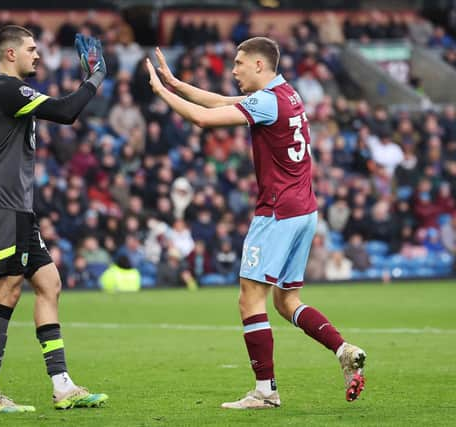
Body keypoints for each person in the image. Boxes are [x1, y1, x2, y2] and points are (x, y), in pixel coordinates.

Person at [146, 38, 366, 409]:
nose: (233, 70)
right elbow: (223, 103)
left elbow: (203, 119)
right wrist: (177, 84)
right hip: (305, 211)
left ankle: (265, 390)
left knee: (250, 298)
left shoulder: (266, 101)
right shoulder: (287, 95)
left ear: (260, 66)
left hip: (277, 212)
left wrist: (159, 92)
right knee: (286, 301)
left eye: (238, 63)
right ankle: (342, 348)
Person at [0, 25, 108, 413]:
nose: (38, 54)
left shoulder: (7, 93)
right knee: (8, 289)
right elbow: (66, 112)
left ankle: (63, 386)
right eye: (32, 49)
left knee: (49, 283)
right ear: (10, 53)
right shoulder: (5, 88)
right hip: (2, 205)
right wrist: (95, 78)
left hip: (16, 206)